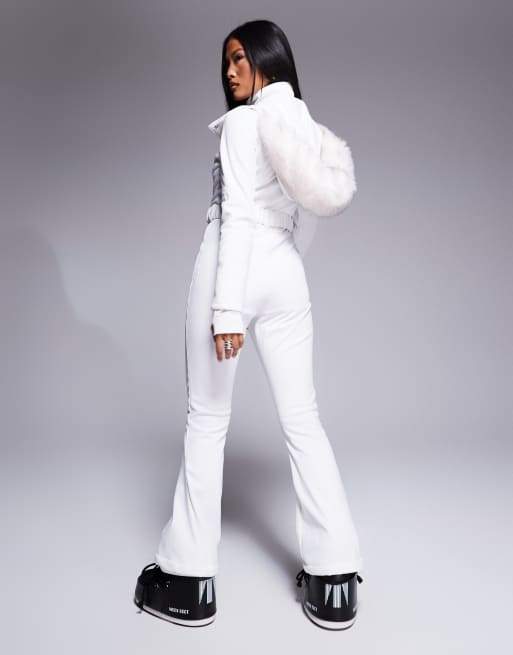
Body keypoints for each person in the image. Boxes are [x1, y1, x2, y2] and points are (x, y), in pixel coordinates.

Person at [134, 19, 364, 630]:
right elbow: (307, 213)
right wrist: (279, 263)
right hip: (286, 271)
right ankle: (335, 578)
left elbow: (237, 215)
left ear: (268, 58)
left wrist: (227, 310)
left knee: (207, 419)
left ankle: (188, 581)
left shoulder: (243, 123)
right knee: (304, 419)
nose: (230, 71)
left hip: (231, 266)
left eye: (240, 58)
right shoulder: (303, 124)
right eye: (226, 62)